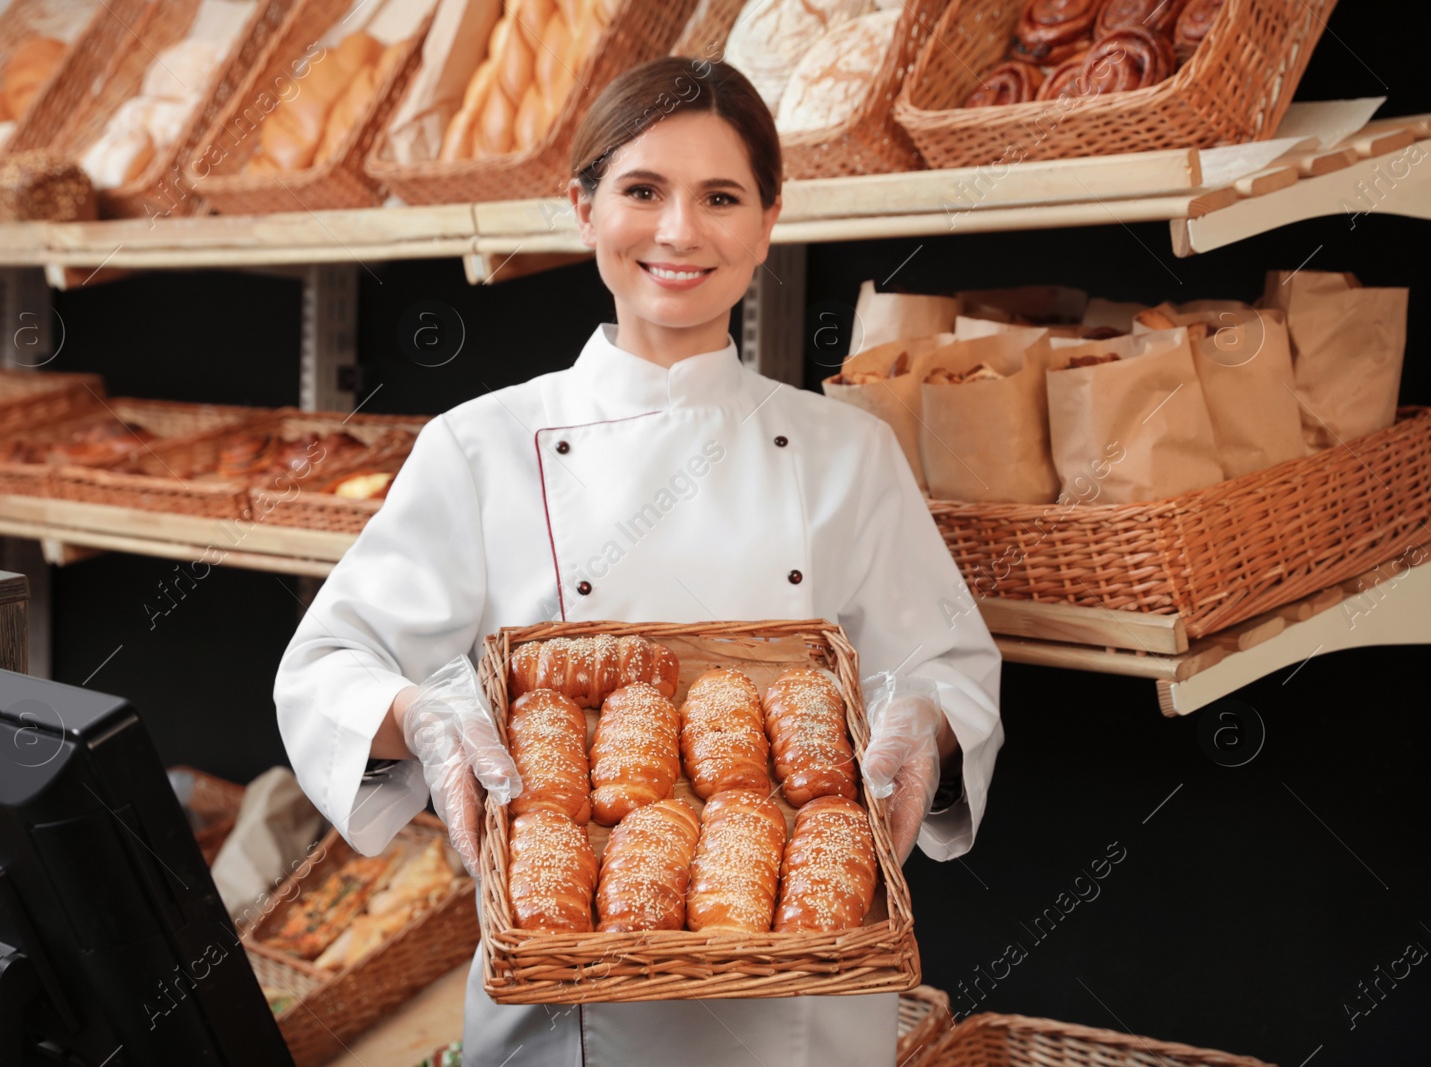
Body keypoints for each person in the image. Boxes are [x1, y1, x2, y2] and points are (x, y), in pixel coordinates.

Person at [274, 55, 1004, 1067]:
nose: (678, 231)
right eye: (641, 191)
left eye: (719, 197)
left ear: (767, 220)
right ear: (581, 208)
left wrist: (927, 721)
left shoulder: (847, 450)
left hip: (799, 1011)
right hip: (560, 1015)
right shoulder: (481, 444)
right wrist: (424, 720)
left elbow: (942, 667)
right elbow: (327, 665)